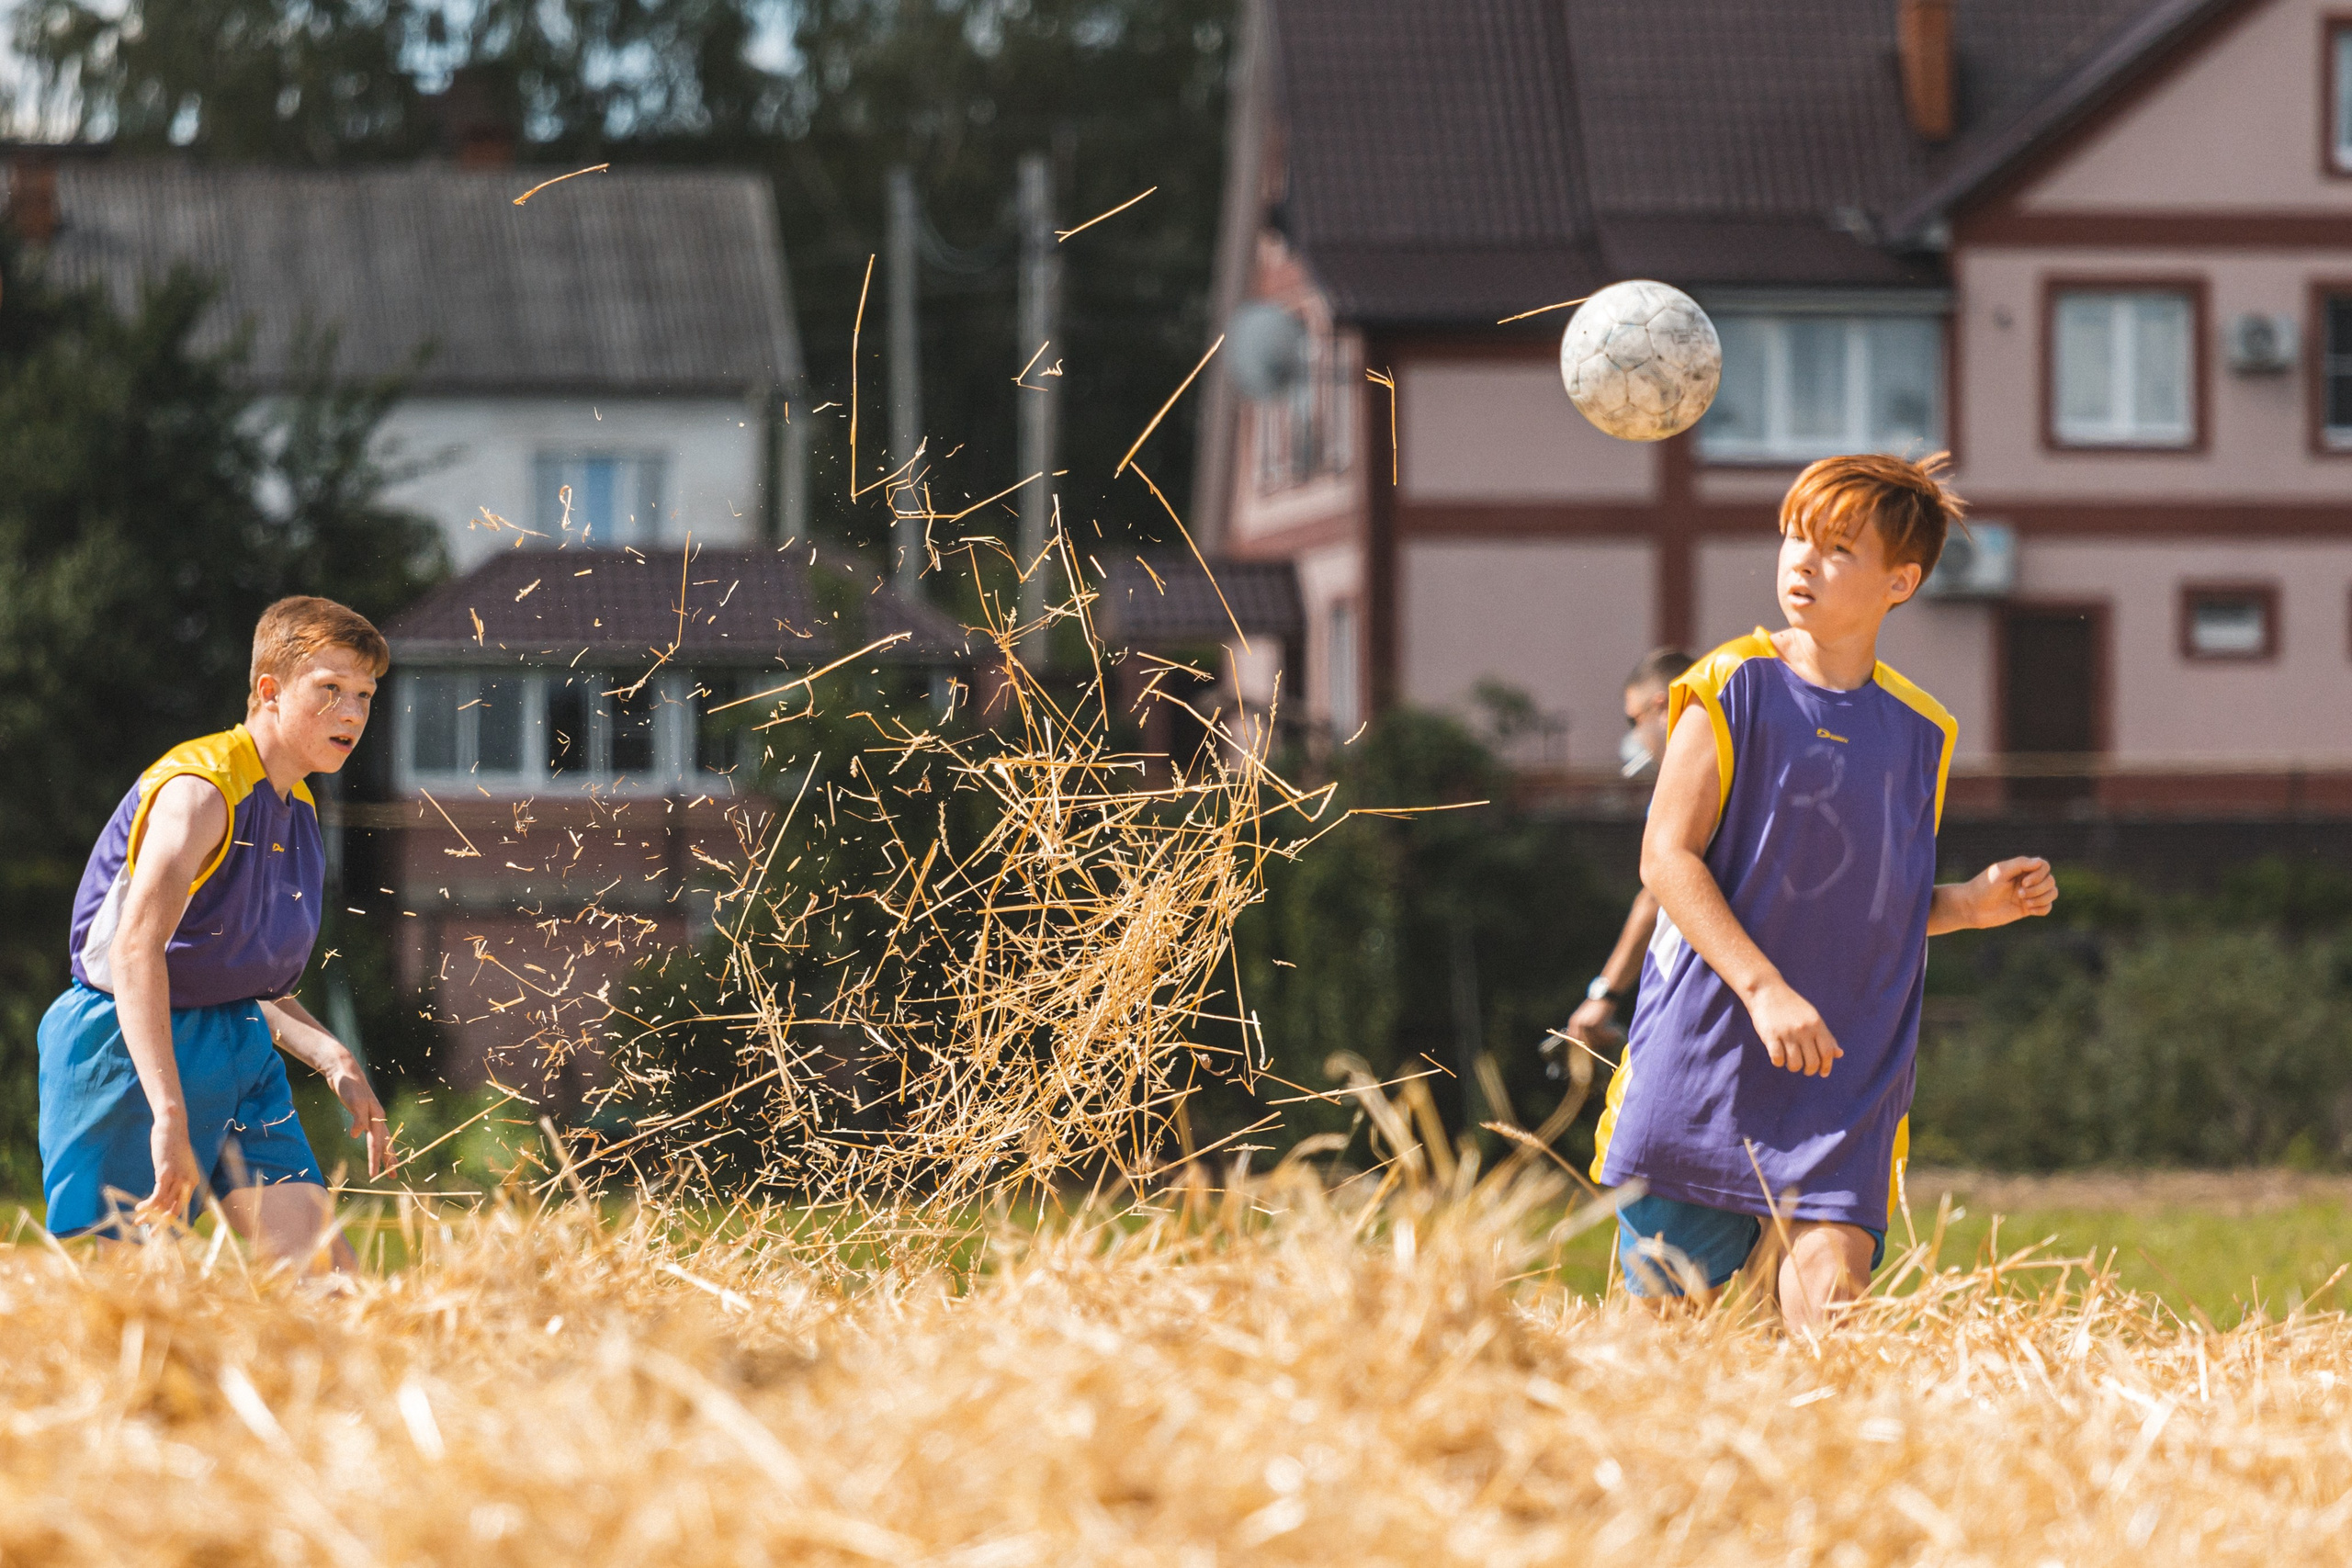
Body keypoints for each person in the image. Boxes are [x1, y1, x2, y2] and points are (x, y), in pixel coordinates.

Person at [1590, 453, 2056, 1332]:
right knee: (1663, 1365)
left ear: (1901, 581)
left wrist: (1969, 902)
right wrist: (1765, 990)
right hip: (1705, 1072)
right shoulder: (1730, 685)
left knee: (1831, 1340)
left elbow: (1870, 902)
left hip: (1845, 1083)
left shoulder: (1923, 731)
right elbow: (1666, 858)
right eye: (1795, 538)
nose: (1803, 561)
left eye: (1838, 547)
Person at [38, 596, 394, 1269]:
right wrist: (168, 1110)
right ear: (269, 690)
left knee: (330, 1284)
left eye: (364, 695)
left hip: (237, 1047)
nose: (352, 713)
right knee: (111, 1300)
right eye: (330, 690)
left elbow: (241, 980)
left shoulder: (297, 806)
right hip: (126, 1047)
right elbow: (138, 952)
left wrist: (333, 1057)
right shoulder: (200, 794)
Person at [1554, 647, 1695, 1092]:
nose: (1635, 738)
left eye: (1633, 720)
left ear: (1660, 706)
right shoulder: (1749, 755)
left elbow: (1657, 893)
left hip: (1694, 997)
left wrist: (1604, 994)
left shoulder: (1687, 774)